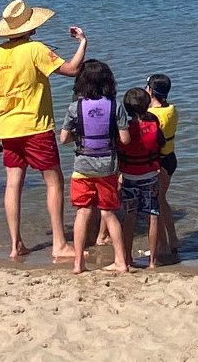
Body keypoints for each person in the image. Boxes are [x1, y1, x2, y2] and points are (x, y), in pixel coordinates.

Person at [0, 0, 87, 259]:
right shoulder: (35, 49)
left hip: (6, 128)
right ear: (30, 26)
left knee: (12, 185)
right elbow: (72, 70)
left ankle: (15, 244)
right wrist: (83, 42)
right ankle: (60, 243)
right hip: (35, 126)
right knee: (53, 182)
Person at [59, 59, 131, 274]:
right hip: (107, 167)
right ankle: (120, 261)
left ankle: (78, 262)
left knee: (82, 212)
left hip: (82, 167)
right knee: (108, 213)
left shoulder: (75, 107)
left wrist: (79, 134)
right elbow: (125, 139)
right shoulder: (115, 106)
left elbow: (63, 139)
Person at [117, 87, 165, 268]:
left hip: (129, 177)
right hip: (151, 176)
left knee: (129, 217)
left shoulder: (125, 129)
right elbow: (160, 145)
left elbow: (120, 149)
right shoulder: (153, 125)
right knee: (152, 216)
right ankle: (153, 261)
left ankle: (127, 258)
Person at [146, 74, 180, 256]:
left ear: (151, 91)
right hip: (170, 158)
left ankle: (162, 246)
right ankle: (172, 240)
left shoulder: (152, 116)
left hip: (158, 162)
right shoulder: (172, 110)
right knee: (162, 200)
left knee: (154, 205)